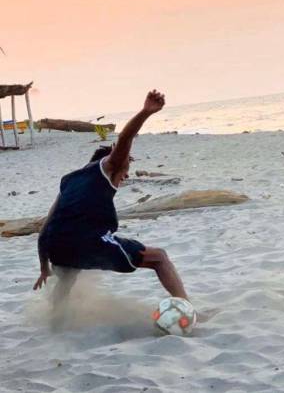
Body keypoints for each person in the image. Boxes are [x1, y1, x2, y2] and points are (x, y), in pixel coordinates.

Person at [33, 90, 189, 304]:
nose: (126, 174)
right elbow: (124, 138)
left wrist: (44, 268)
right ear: (113, 159)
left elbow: (44, 230)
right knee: (159, 257)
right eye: (126, 168)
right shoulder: (108, 166)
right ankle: (189, 309)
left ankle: (55, 319)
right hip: (86, 242)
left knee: (69, 274)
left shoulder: (70, 180)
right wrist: (146, 112)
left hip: (57, 248)